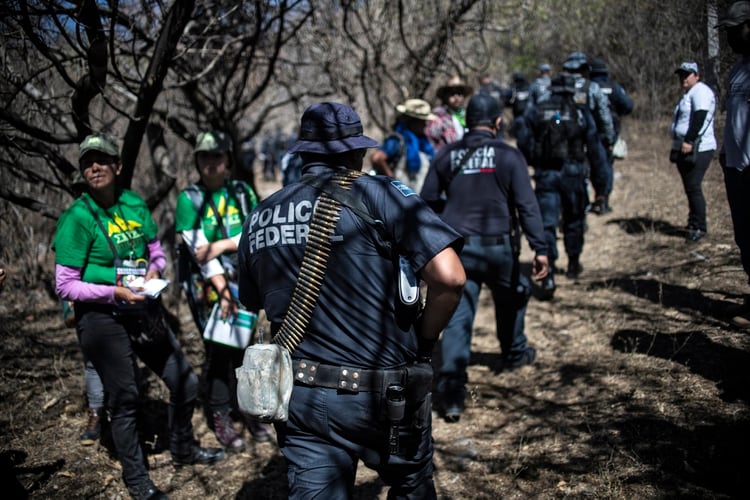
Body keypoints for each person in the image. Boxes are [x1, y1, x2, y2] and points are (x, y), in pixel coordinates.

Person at [238, 102, 466, 498]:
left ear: (303, 154)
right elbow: (450, 278)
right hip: (385, 392)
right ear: (357, 153)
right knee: (411, 485)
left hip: (303, 397)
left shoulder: (261, 213)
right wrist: (426, 344)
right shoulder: (382, 194)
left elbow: (252, 300)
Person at [54, 133, 224, 500]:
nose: (94, 167)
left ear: (118, 166)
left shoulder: (132, 203)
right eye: (87, 162)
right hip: (101, 316)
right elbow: (65, 286)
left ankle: (183, 449)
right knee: (126, 395)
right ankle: (137, 480)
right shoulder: (77, 218)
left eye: (102, 160)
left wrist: (153, 270)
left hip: (140, 306)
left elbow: (155, 250)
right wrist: (112, 291)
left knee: (185, 382)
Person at [420, 93, 549, 422]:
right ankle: (514, 352)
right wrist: (541, 248)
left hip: (458, 251)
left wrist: (438, 237)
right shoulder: (508, 155)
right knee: (514, 298)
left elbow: (427, 200)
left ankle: (451, 395)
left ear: (467, 122)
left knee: (458, 320)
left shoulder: (447, 154)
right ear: (497, 122)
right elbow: (527, 205)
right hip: (499, 248)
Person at [175, 130, 272, 452]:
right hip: (210, 288)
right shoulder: (189, 199)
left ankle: (251, 410)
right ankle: (220, 415)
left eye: (217, 155)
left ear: (228, 160)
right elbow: (199, 253)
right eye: (205, 156)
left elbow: (257, 231)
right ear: (197, 162)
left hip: (245, 280)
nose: (211, 162)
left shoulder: (242, 192)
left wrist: (222, 244)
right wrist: (223, 290)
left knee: (247, 347)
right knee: (219, 352)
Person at [522, 74, 593, 297]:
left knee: (547, 224)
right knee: (574, 218)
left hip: (546, 174)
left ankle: (549, 272)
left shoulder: (537, 109)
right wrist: (599, 181)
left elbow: (524, 140)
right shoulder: (581, 112)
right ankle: (573, 262)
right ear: (572, 90)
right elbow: (594, 143)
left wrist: (536, 162)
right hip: (574, 173)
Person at [717, 1, 750, 328]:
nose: (730, 37)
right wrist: (727, 155)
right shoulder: (738, 70)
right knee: (745, 237)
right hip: (736, 168)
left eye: (735, 29)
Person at [562, 51, 616, 215]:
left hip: (567, 137)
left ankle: (577, 205)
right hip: (590, 135)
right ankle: (600, 200)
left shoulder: (561, 87)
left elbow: (554, 114)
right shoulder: (592, 87)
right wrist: (609, 137)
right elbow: (604, 115)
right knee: (598, 169)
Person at [669, 61, 717, 242]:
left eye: (687, 74)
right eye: (681, 75)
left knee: (694, 186)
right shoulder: (687, 94)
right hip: (683, 146)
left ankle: (700, 227)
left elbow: (700, 117)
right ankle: (692, 222)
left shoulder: (701, 91)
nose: (683, 78)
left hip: (700, 147)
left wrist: (689, 140)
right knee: (689, 187)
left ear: (696, 75)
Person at [589, 58, 634, 210]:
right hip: (610, 133)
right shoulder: (614, 88)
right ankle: (604, 199)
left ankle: (598, 195)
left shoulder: (588, 87)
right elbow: (628, 106)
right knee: (607, 165)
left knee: (593, 165)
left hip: (590, 133)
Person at [371, 98, 436, 193]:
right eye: (422, 121)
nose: (425, 125)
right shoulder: (398, 140)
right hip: (397, 198)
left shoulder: (423, 142)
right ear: (412, 121)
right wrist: (393, 182)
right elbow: (377, 158)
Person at [426, 75, 473, 150]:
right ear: (446, 96)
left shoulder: (466, 115)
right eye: (452, 94)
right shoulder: (438, 116)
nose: (456, 97)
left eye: (459, 94)